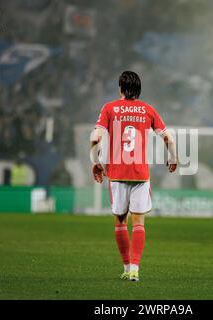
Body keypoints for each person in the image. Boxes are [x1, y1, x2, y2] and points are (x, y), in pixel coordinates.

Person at [90, 71, 177, 281]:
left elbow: (95, 138)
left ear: (120, 86)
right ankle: (136, 269)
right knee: (139, 223)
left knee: (120, 223)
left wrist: (95, 163)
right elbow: (168, 137)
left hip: (117, 173)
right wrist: (173, 157)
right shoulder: (148, 110)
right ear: (139, 89)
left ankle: (127, 267)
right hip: (140, 173)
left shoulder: (109, 108)